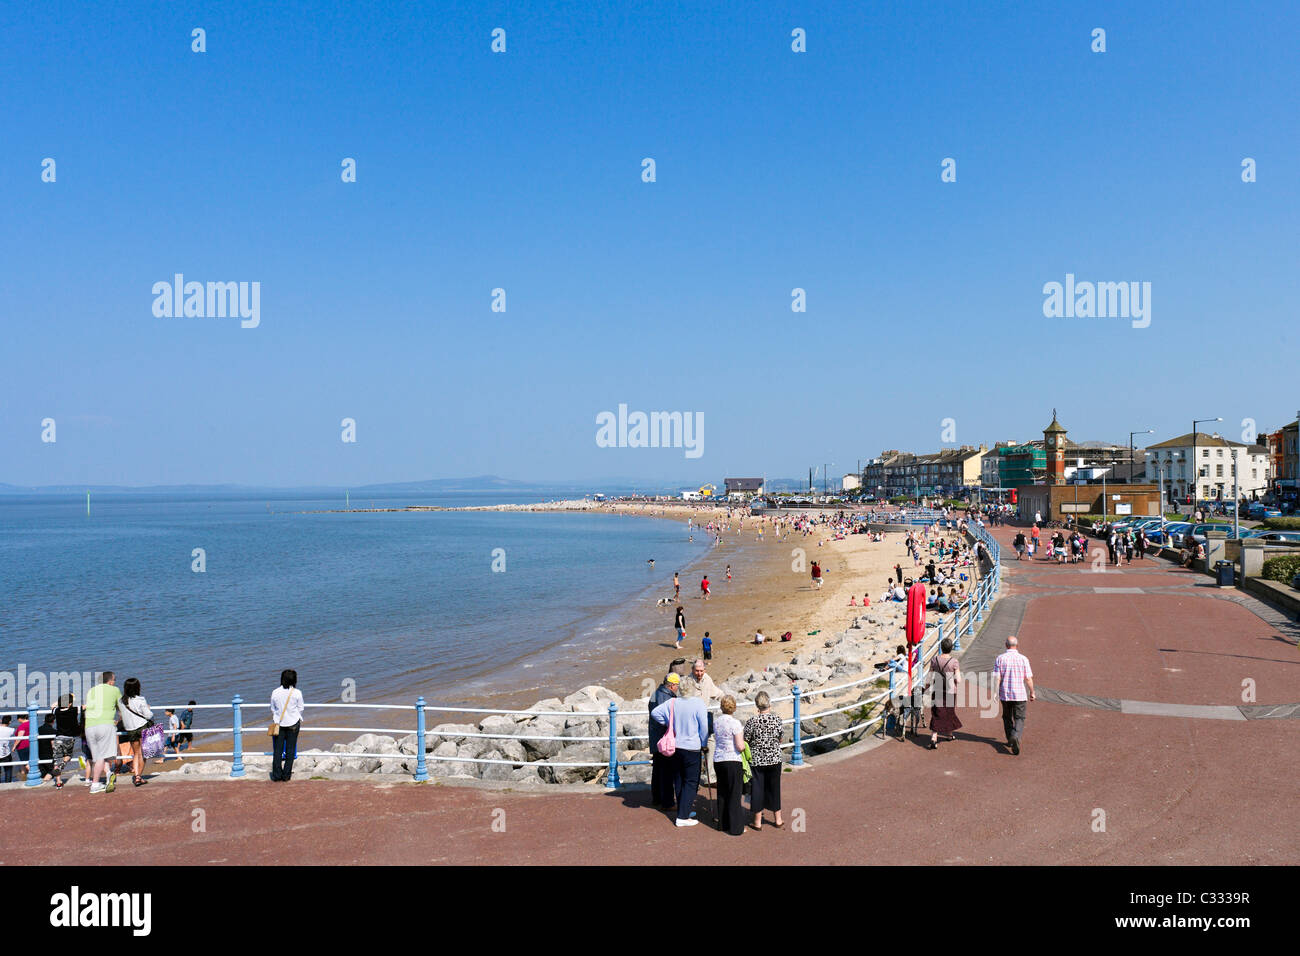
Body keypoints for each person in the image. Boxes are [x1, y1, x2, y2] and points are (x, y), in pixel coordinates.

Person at [650, 676, 710, 828]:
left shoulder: (672, 702)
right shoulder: (698, 703)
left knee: (679, 779)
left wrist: (668, 722)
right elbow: (704, 726)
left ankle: (684, 810)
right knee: (691, 781)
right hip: (692, 747)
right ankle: (682, 816)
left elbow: (655, 713)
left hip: (676, 746)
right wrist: (704, 743)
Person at [743, 691, 784, 830]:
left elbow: (746, 740)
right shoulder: (777, 720)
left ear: (757, 706)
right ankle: (778, 819)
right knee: (774, 789)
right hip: (774, 759)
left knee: (758, 790)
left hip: (757, 760)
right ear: (769, 704)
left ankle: (757, 821)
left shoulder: (752, 721)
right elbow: (780, 738)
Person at [993, 636, 1035, 755]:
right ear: (1017, 645)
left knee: (1007, 717)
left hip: (1005, 693)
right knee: (1019, 717)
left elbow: (997, 677)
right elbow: (1028, 678)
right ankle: (1016, 735)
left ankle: (1010, 738)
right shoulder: (1023, 659)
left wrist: (996, 692)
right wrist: (1032, 692)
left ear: (1006, 645)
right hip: (1019, 694)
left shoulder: (1000, 658)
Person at [712, 696, 746, 836]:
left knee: (722, 792)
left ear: (721, 707)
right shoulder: (735, 723)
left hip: (719, 759)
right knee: (734, 794)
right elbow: (739, 745)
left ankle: (723, 824)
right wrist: (744, 747)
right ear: (734, 707)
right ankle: (736, 827)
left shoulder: (716, 722)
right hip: (732, 760)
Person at [83, 671, 120, 794]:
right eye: (114, 680)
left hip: (89, 727)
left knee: (97, 756)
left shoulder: (91, 691)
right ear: (110, 681)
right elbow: (121, 707)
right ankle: (95, 784)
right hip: (104, 725)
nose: (114, 682)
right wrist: (119, 720)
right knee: (101, 757)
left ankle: (109, 773)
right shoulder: (114, 690)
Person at [648, 672, 679, 810]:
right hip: (664, 740)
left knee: (657, 770)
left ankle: (656, 798)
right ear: (672, 685)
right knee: (667, 771)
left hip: (655, 737)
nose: (678, 688)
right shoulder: (666, 698)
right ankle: (667, 802)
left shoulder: (655, 693)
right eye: (677, 685)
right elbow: (667, 719)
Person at [270, 669, 305, 782]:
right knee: (290, 750)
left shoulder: (275, 692)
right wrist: (294, 715)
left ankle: (276, 775)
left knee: (278, 750)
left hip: (279, 724)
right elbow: (301, 708)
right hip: (293, 724)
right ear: (294, 680)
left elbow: (273, 708)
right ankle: (286, 775)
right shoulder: (297, 693)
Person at [117, 677, 154, 787]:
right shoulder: (140, 699)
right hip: (142, 727)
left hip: (130, 730)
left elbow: (121, 714)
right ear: (137, 688)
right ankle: (138, 777)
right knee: (143, 754)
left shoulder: (121, 701)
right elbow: (149, 715)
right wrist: (148, 708)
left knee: (136, 753)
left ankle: (137, 775)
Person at [927, 638, 962, 749]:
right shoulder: (954, 662)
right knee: (949, 711)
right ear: (951, 648)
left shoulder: (934, 660)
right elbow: (959, 679)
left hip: (937, 689)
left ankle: (937, 736)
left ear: (941, 647)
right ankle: (947, 735)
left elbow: (929, 676)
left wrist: (926, 688)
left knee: (937, 712)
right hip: (950, 691)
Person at [51, 693, 81, 789]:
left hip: (58, 738)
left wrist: (59, 702)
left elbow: (52, 706)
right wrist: (73, 698)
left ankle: (59, 783)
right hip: (69, 738)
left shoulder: (57, 711)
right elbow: (86, 706)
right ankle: (62, 765)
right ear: (69, 704)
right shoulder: (74, 710)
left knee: (56, 760)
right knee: (68, 755)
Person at [0, 715, 14, 784]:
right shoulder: (11, 730)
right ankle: (8, 783)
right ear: (9, 722)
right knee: (8, 770)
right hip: (6, 753)